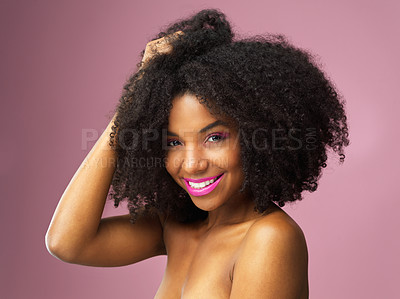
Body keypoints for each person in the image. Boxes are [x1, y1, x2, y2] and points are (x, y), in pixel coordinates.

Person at [45, 8, 349, 299]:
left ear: (261, 139)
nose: (191, 164)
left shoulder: (268, 238)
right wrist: (132, 105)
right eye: (174, 142)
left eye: (214, 137)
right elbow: (67, 243)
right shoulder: (175, 224)